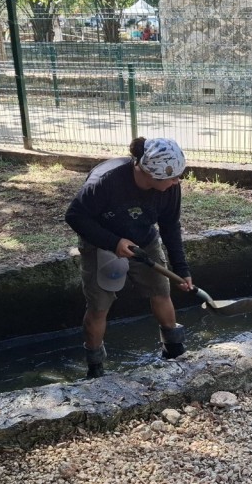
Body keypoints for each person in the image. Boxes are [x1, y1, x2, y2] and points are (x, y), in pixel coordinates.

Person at [65, 137, 193, 378]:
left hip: (144, 239)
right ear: (150, 173)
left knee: (161, 292)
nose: (178, 182)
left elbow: (170, 226)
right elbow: (75, 216)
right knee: (99, 306)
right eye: (173, 177)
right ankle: (95, 368)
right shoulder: (105, 182)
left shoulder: (170, 189)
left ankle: (174, 351)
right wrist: (113, 242)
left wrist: (181, 269)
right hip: (101, 243)